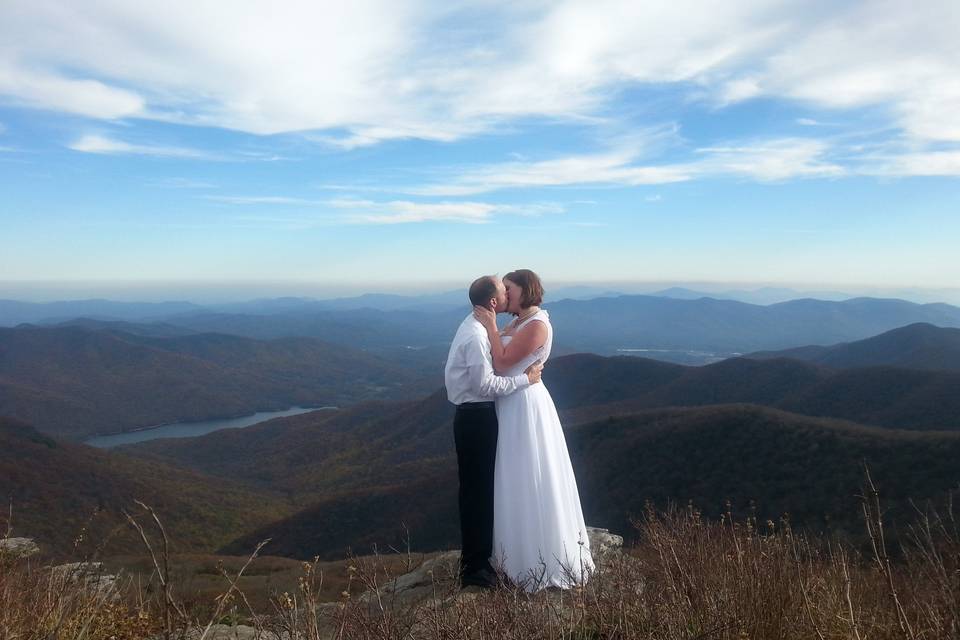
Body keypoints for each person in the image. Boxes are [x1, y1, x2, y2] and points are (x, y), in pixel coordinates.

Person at [473, 269, 594, 591]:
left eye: (508, 289)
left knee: (529, 472)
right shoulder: (518, 323)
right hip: (512, 400)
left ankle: (539, 557)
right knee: (514, 475)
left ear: (525, 290)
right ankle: (515, 553)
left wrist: (489, 326)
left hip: (525, 404)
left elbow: (501, 364)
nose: (503, 294)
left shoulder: (537, 325)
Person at [444, 275, 544, 589]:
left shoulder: (475, 327)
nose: (507, 295)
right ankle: (475, 568)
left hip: (476, 417)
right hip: (476, 419)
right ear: (492, 302)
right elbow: (485, 384)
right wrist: (524, 381)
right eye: (504, 291)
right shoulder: (475, 334)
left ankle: (479, 560)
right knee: (478, 493)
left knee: (482, 491)